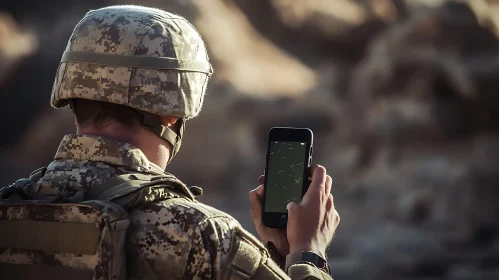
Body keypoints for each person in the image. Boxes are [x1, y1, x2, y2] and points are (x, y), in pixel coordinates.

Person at [0, 5, 340, 279]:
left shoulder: (10, 209)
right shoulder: (202, 236)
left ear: (74, 99)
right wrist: (308, 252)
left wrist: (274, 251)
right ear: (172, 114)